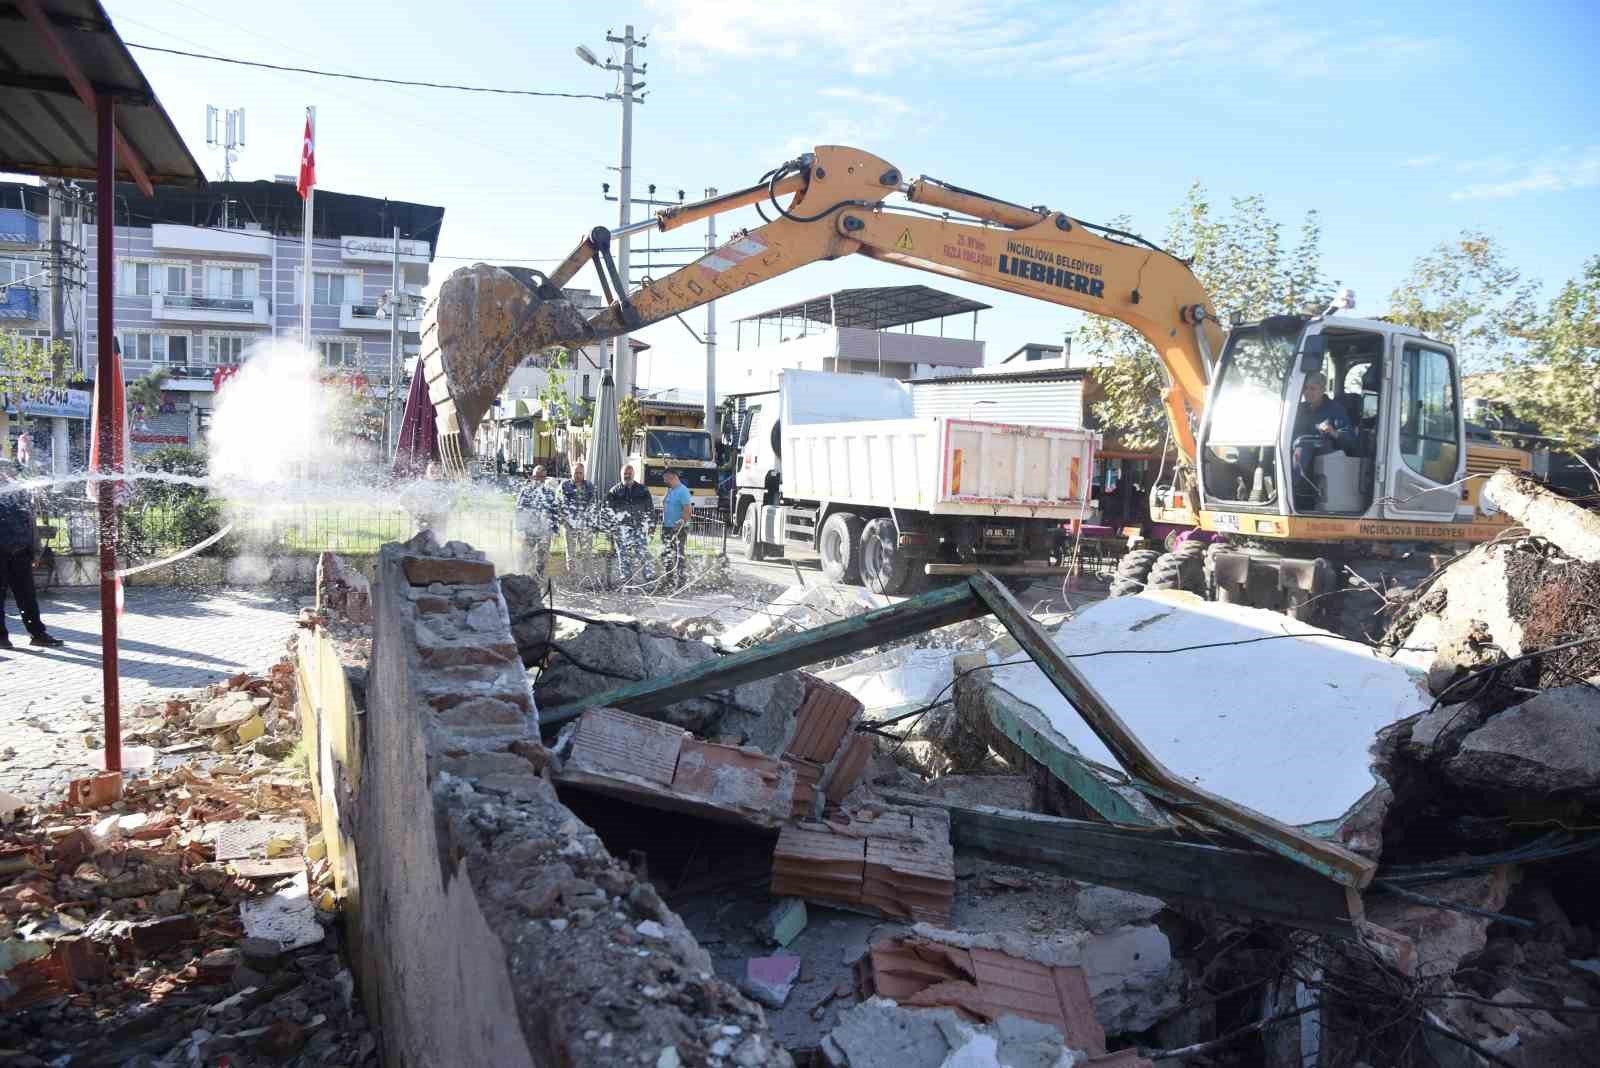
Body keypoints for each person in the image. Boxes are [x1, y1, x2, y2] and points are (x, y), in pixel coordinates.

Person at [0, 463, 65, 649]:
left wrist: (35, 551)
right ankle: (1, 638)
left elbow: (31, 522)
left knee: (27, 595)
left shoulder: (19, 492)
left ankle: (38, 634)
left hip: (20, 551)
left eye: (9, 471)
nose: (6, 474)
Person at [1291, 372, 1356, 506]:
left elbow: (1349, 439)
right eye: (1305, 388)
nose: (1308, 392)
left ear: (1322, 390)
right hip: (1295, 448)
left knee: (1303, 445)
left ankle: (1289, 489)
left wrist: (1333, 431)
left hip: (1324, 450)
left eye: (1312, 388)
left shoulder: (1335, 409)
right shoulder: (1298, 409)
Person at [606, 463, 655, 586]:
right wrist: (610, 529)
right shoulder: (614, 492)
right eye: (625, 474)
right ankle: (626, 580)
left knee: (643, 553)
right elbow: (608, 512)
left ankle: (649, 579)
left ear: (634, 474)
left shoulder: (643, 490)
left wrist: (651, 526)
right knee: (623, 555)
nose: (627, 476)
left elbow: (650, 509)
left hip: (638, 528)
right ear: (621, 475)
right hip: (621, 529)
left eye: (629, 473)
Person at [514, 465, 560, 579]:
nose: (538, 479)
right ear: (532, 477)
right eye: (536, 477)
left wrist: (555, 529)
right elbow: (519, 508)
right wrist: (520, 526)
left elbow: (554, 511)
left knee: (542, 557)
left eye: (541, 477)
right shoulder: (526, 491)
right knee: (525, 555)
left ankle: (539, 577)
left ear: (545, 479)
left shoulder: (549, 493)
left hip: (544, 531)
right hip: (529, 530)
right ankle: (521, 576)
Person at [560, 461, 598, 582]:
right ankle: (573, 578)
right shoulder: (564, 486)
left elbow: (594, 505)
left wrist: (590, 523)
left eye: (580, 473)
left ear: (584, 474)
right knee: (570, 555)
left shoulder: (590, 486)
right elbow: (559, 504)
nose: (578, 475)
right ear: (572, 473)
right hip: (570, 525)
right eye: (576, 473)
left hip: (585, 526)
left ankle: (587, 579)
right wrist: (565, 521)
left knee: (587, 554)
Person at [659, 469, 694, 589]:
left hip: (678, 529)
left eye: (666, 479)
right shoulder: (670, 489)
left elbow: (688, 509)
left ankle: (681, 581)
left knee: (679, 555)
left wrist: (682, 521)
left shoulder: (683, 491)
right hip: (666, 527)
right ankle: (668, 580)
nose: (664, 481)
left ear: (672, 477)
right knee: (666, 553)